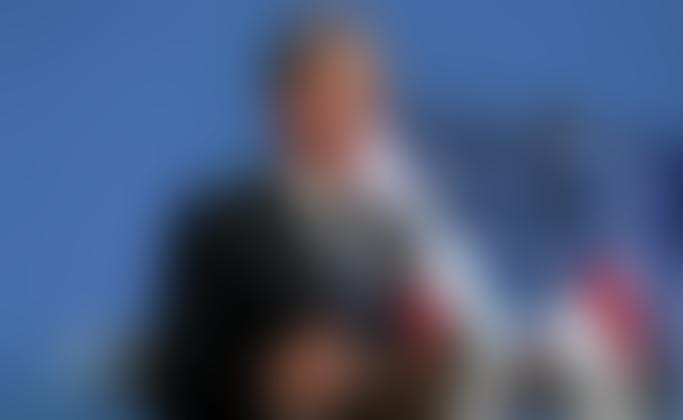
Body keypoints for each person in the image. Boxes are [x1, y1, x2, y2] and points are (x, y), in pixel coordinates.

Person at [149, 16, 461, 420]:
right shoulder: (216, 228)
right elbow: (179, 372)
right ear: (281, 103)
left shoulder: (392, 237)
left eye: (355, 99)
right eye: (322, 94)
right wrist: (266, 374)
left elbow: (424, 368)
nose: (337, 115)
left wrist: (378, 372)